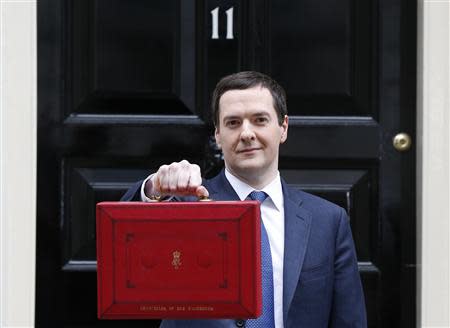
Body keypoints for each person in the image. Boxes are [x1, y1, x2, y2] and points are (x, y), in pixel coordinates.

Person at [121, 71, 367, 327]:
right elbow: (121, 250)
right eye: (233, 123)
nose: (246, 133)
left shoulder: (328, 221)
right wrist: (154, 188)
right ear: (217, 134)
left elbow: (349, 320)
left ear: (283, 128)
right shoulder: (184, 206)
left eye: (260, 120)